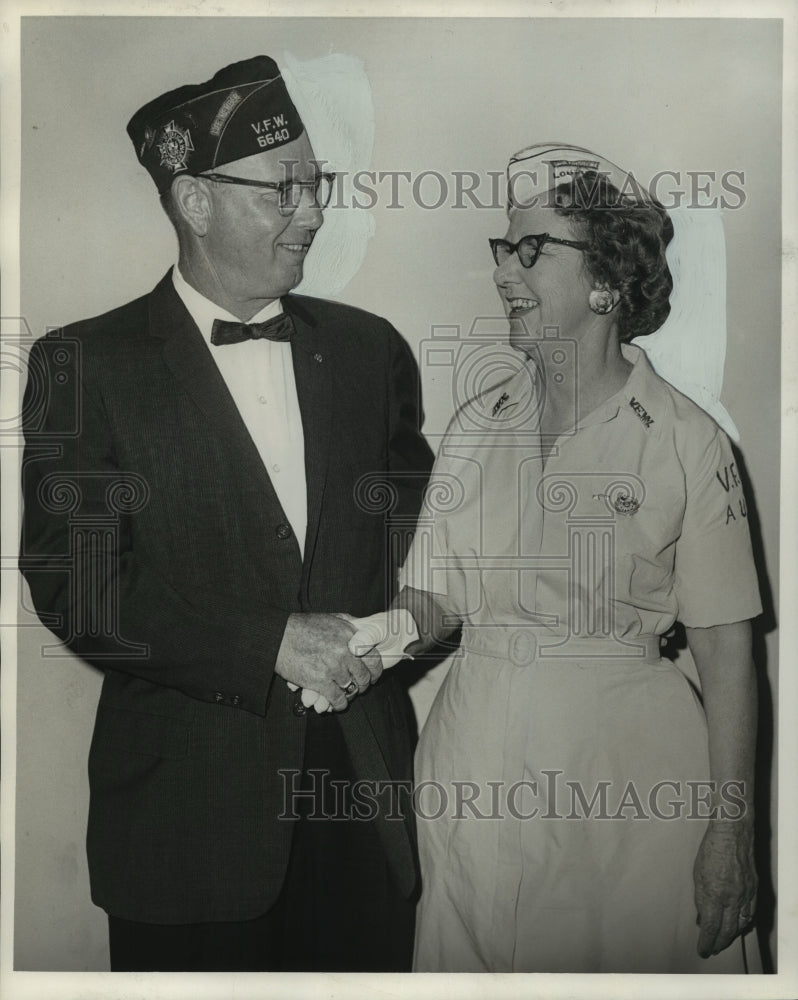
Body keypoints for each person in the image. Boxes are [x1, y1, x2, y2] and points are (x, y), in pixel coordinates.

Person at [19, 55, 433, 973]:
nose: (314, 213)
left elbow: (431, 538)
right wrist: (266, 643)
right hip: (187, 836)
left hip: (364, 810)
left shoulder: (372, 353)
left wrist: (421, 619)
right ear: (194, 201)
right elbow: (76, 588)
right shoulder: (86, 364)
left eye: (317, 186)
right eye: (284, 191)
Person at [348, 143, 762, 972]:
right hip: (471, 763)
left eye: (531, 251)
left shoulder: (688, 442)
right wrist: (365, 644)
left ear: (607, 279)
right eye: (503, 249)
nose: (504, 273)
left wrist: (730, 829)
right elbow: (435, 597)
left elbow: (727, 654)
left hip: (629, 779)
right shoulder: (477, 423)